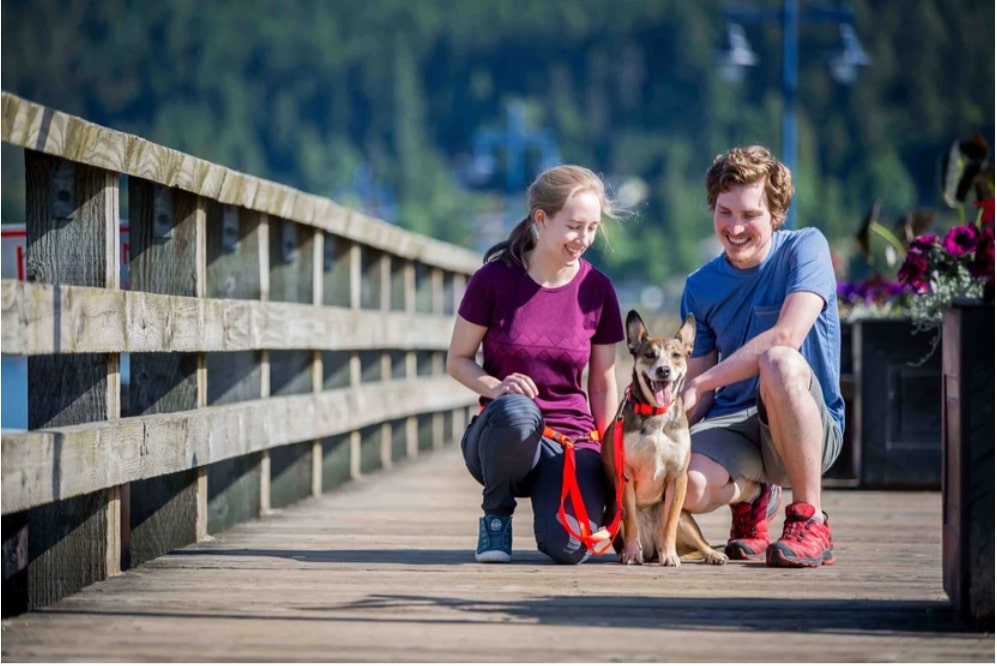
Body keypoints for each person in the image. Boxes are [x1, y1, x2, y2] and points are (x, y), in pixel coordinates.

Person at [447, 164, 625, 564]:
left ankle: (560, 516)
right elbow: (457, 360)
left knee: (570, 549)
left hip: (572, 439)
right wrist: (496, 387)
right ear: (541, 219)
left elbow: (601, 385)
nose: (584, 239)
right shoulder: (492, 280)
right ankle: (496, 517)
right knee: (518, 411)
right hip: (504, 436)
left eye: (592, 228)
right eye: (575, 226)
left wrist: (612, 458)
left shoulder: (598, 290)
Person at [679, 145, 844, 568]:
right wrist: (652, 439)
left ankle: (810, 519)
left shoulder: (806, 249)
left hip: (807, 424)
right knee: (688, 488)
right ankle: (755, 497)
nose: (735, 227)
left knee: (779, 361)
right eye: (724, 212)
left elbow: (787, 335)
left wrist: (701, 381)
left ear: (775, 215)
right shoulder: (699, 286)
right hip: (736, 427)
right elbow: (698, 394)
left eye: (750, 215)